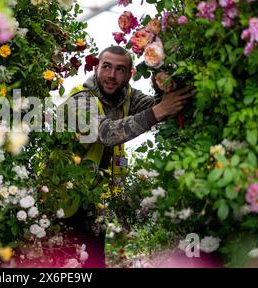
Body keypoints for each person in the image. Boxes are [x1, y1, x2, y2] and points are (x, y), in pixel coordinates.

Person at [60, 45, 195, 268]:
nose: (112, 75)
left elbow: (160, 107)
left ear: (130, 74)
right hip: (63, 200)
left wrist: (162, 84)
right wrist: (160, 110)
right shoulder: (80, 99)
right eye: (106, 67)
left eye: (120, 69)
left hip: (95, 202)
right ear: (96, 69)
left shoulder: (126, 97)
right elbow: (104, 133)